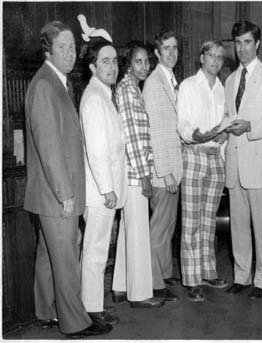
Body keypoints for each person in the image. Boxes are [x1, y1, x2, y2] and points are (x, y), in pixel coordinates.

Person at [24, 20, 111, 338]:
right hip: (56, 195)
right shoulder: (47, 86)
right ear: (47, 50)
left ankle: (46, 312)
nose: (70, 53)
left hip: (48, 194)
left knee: (49, 255)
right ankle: (76, 323)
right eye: (62, 47)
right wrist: (66, 194)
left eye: (73, 47)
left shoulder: (55, 82)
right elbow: (49, 148)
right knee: (66, 260)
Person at [224, 20, 262, 299]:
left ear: (257, 44)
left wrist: (250, 127)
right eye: (238, 43)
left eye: (248, 42)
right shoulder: (230, 80)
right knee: (238, 226)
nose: (243, 48)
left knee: (261, 226)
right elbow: (228, 118)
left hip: (259, 163)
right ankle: (241, 275)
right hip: (234, 164)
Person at [79, 22, 127, 326]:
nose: (112, 67)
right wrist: (108, 189)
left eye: (114, 61)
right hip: (100, 193)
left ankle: (93, 306)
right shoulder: (95, 99)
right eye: (105, 62)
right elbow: (96, 151)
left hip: (104, 191)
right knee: (95, 253)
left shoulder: (103, 94)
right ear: (93, 67)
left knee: (97, 252)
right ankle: (90, 312)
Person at [112, 41, 165, 308]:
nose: (144, 67)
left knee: (128, 230)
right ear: (128, 64)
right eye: (138, 62)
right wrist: (145, 175)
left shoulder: (131, 88)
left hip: (134, 171)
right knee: (138, 232)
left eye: (146, 61)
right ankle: (140, 294)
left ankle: (121, 286)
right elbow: (132, 137)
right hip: (135, 173)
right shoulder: (127, 91)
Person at [177, 40, 228, 302]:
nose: (216, 61)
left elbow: (226, 123)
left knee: (209, 221)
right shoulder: (187, 86)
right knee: (191, 222)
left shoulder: (223, 88)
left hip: (215, 160)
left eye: (220, 57)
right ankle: (192, 278)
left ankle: (208, 272)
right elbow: (182, 122)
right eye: (211, 55)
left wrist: (224, 140)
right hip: (194, 155)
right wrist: (192, 134)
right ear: (201, 57)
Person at [142, 30, 183, 302]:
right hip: (163, 172)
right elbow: (155, 131)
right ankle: (156, 284)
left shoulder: (169, 79)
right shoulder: (155, 82)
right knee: (159, 230)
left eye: (174, 48)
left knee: (167, 227)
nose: (171, 52)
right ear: (157, 52)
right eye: (166, 49)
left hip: (173, 168)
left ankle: (165, 275)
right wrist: (165, 171)